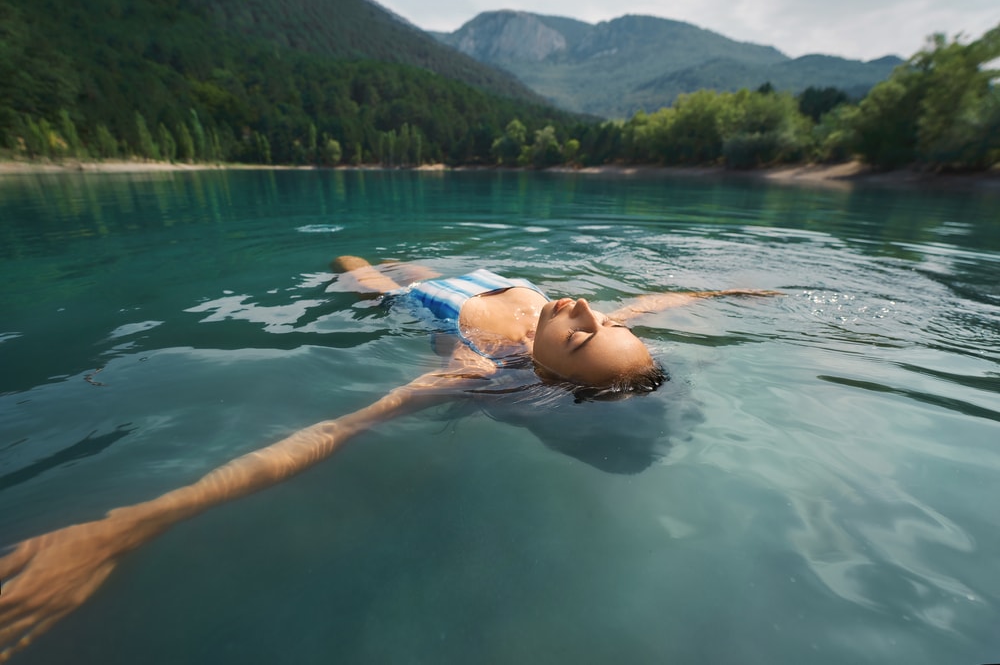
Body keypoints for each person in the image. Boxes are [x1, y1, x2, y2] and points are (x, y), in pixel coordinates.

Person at [0, 257, 778, 661]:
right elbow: (648, 304)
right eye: (595, 315)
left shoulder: (471, 371)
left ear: (544, 376)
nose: (579, 305)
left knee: (356, 266)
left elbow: (330, 432)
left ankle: (372, 271)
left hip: (422, 295)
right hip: (481, 275)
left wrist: (127, 525)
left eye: (578, 332)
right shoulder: (569, 322)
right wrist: (724, 296)